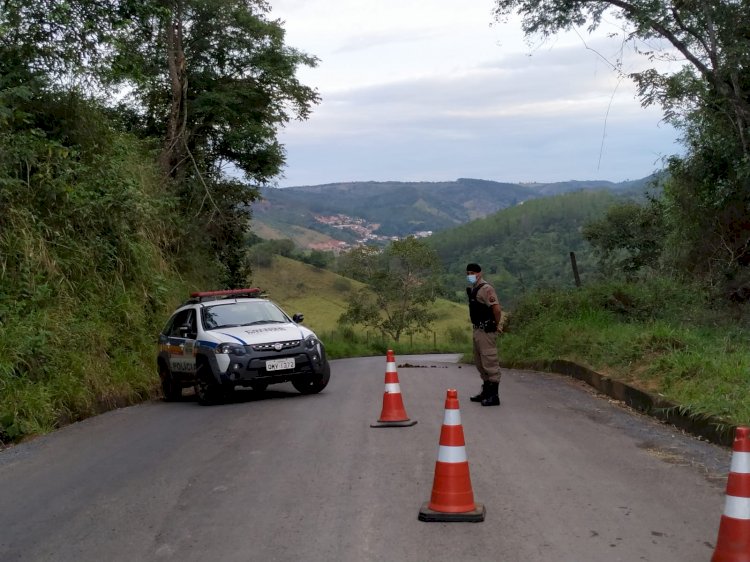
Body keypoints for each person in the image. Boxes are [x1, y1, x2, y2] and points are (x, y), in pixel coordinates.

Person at [465, 263, 503, 406]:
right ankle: (486, 391)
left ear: (480, 273)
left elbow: (497, 309)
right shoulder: (475, 288)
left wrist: (495, 324)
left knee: (490, 361)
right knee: (480, 362)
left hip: (486, 331)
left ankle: (494, 395)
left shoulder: (486, 288)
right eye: (468, 273)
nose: (470, 275)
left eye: (473, 272)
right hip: (477, 330)